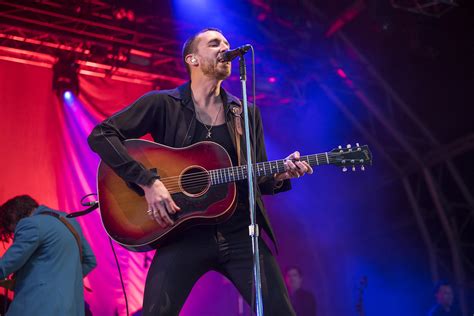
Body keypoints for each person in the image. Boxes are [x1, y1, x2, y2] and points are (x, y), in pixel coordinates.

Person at [88, 27, 313, 315]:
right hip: (182, 232)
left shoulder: (244, 112)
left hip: (240, 232)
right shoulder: (163, 104)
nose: (225, 48)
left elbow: (258, 177)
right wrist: (147, 181)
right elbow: (101, 135)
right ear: (192, 59)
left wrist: (280, 175)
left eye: (227, 43)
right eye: (215, 43)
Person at [0, 195, 97, 316]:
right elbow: (91, 261)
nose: (14, 234)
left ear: (13, 217)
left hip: (38, 307)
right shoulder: (70, 220)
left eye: (11, 231)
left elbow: (6, 265)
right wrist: (61, 280)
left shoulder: (31, 224)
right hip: (71, 309)